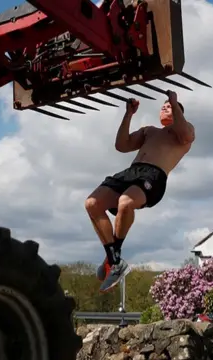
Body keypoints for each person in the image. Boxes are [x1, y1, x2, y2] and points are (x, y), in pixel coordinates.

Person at [84, 90, 196, 292]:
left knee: (126, 203)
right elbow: (121, 145)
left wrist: (175, 102)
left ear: (179, 112)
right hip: (131, 172)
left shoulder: (183, 131)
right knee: (92, 203)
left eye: (169, 106)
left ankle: (113, 260)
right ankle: (114, 260)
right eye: (163, 105)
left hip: (153, 175)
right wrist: (128, 114)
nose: (164, 107)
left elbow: (186, 134)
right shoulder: (149, 131)